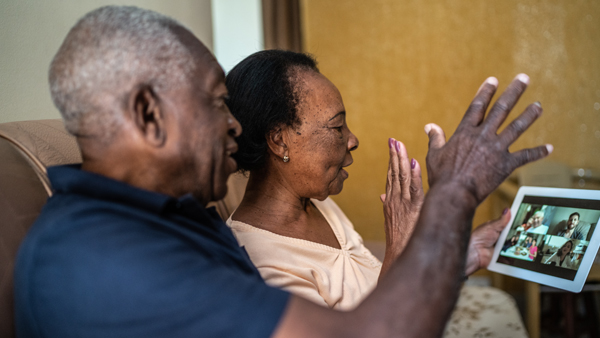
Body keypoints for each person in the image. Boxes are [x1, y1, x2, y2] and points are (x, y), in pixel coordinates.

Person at [14, 6, 551, 338]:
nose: (234, 126)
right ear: (150, 115)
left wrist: (459, 247)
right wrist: (453, 194)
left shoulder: (171, 218)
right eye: (216, 103)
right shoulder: (109, 263)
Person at [225, 50, 515, 311]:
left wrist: (459, 256)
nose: (353, 139)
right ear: (280, 140)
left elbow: (370, 284)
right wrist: (400, 241)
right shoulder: (258, 265)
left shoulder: (319, 205)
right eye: (337, 126)